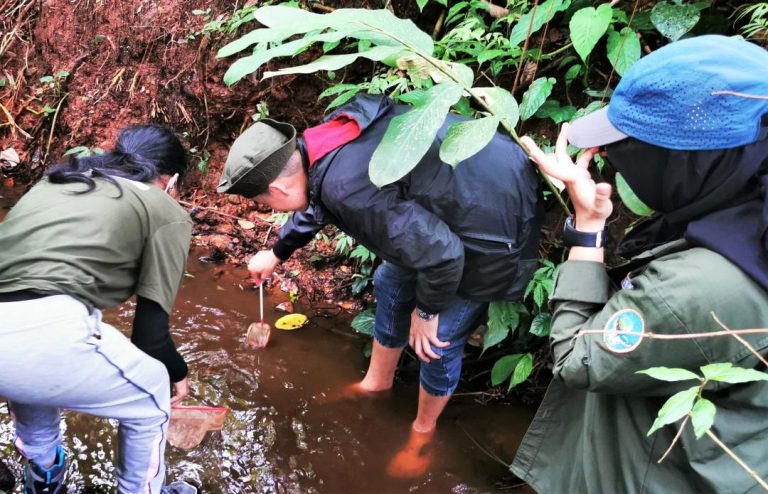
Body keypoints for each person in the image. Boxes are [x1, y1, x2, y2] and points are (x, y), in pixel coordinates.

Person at [217, 94, 542, 477]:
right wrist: (277, 251)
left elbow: (444, 254)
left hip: (492, 226)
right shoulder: (326, 141)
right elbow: (322, 195)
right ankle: (376, 383)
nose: (269, 210)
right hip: (458, 196)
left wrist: (426, 312)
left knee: (437, 342)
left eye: (264, 201)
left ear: (280, 188)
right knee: (390, 278)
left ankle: (423, 432)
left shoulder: (349, 188)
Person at [512, 35, 768, 492]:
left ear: (684, 161)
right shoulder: (747, 212)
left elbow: (578, 359)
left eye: (625, 145)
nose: (609, 155)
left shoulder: (698, 287)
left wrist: (588, 231)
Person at [0, 125, 197, 494]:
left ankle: (43, 478)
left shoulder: (57, 180)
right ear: (170, 179)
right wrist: (177, 372)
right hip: (49, 325)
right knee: (152, 393)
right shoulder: (164, 208)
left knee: (32, 375)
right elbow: (149, 337)